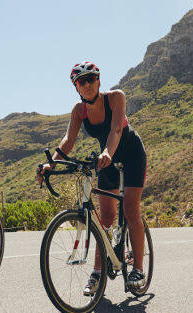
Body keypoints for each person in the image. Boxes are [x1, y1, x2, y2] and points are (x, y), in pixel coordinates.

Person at [36, 61, 148, 294]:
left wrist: (107, 152)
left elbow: (116, 129)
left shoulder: (115, 97)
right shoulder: (79, 110)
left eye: (90, 79)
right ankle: (97, 272)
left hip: (131, 154)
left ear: (98, 81)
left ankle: (138, 269)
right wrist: (51, 163)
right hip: (104, 159)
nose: (86, 84)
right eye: (81, 82)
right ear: (76, 87)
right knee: (105, 218)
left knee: (130, 209)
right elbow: (68, 140)